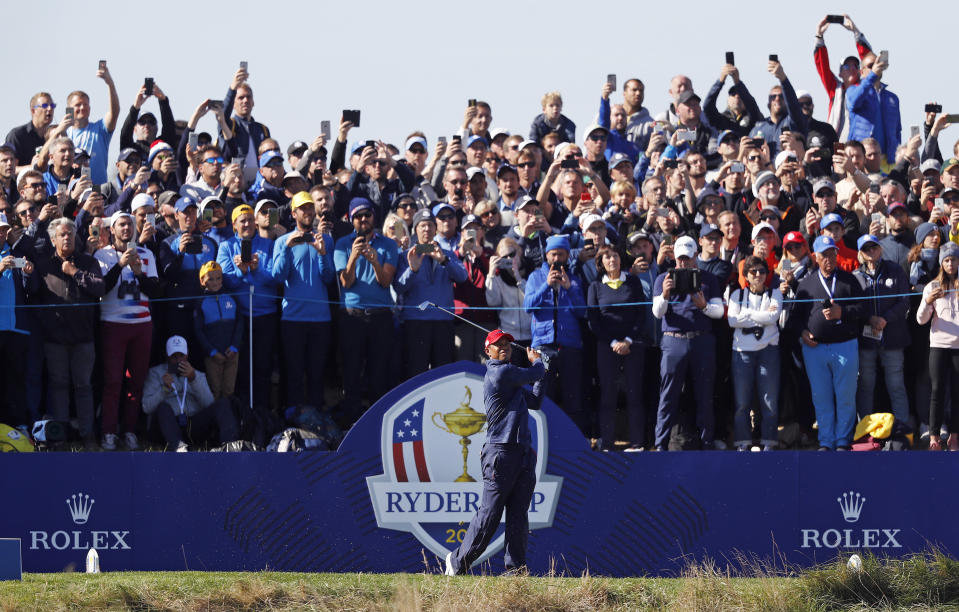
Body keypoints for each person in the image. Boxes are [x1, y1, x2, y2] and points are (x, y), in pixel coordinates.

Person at [445, 329, 544, 576]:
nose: (504, 349)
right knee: (490, 514)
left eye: (508, 346)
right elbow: (535, 372)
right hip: (501, 453)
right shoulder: (499, 373)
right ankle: (457, 562)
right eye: (498, 345)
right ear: (487, 351)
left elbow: (535, 401)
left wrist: (541, 372)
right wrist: (540, 362)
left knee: (518, 515)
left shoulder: (510, 379)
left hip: (522, 452)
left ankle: (515, 570)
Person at [24, 218, 104, 447]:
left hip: (84, 339)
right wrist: (29, 275)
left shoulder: (87, 262)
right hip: (54, 339)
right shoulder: (43, 264)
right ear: (53, 239)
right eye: (62, 234)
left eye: (70, 233)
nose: (67, 237)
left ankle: (88, 437)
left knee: (84, 387)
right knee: (57, 388)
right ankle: (59, 439)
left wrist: (75, 272)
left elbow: (100, 288)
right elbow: (33, 293)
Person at [94, 212, 162, 451]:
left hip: (142, 324)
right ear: (112, 229)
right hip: (113, 324)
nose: (126, 228)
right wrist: (120, 264)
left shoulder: (146, 254)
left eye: (130, 225)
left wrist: (138, 271)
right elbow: (101, 289)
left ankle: (130, 431)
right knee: (112, 381)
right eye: (121, 225)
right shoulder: (102, 254)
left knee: (136, 382)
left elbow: (154, 291)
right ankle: (109, 432)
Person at [651, 235, 724, 450]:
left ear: (695, 257)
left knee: (704, 393)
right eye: (680, 258)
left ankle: (706, 442)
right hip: (673, 340)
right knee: (668, 395)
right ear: (675, 257)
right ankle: (661, 444)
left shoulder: (708, 279)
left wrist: (703, 306)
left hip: (701, 339)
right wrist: (665, 294)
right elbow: (657, 313)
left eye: (688, 258)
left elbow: (718, 312)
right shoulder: (663, 278)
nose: (683, 263)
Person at [796, 236, 865, 450]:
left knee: (845, 395)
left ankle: (843, 440)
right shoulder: (806, 283)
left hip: (845, 345)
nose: (830, 258)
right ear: (816, 257)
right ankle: (826, 440)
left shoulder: (849, 280)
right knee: (821, 396)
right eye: (825, 254)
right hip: (815, 349)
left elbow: (863, 310)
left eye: (833, 253)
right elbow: (795, 317)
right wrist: (802, 332)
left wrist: (841, 311)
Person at [271, 192, 336, 415]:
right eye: (303, 209)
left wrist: (322, 253)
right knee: (294, 372)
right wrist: (288, 249)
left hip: (320, 319)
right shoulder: (281, 241)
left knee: (317, 373)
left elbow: (328, 278)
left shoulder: (325, 239)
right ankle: (294, 419)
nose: (308, 212)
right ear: (294, 213)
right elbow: (278, 277)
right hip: (292, 319)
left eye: (310, 208)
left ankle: (317, 419)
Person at [587, 245, 648, 451]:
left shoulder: (633, 282)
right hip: (607, 347)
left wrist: (628, 340)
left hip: (633, 345)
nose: (611, 260)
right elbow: (593, 321)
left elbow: (641, 314)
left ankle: (637, 443)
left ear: (620, 259)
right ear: (601, 262)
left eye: (614, 256)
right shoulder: (595, 286)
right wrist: (614, 343)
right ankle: (607, 442)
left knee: (634, 393)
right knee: (608, 395)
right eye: (607, 257)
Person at [524, 235, 587, 433]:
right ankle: (543, 437)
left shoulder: (575, 279)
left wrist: (569, 288)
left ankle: (574, 438)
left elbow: (582, 311)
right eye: (553, 254)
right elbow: (528, 306)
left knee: (573, 395)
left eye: (561, 254)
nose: (557, 258)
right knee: (543, 395)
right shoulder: (535, 277)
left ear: (567, 256)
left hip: (570, 344)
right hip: (543, 345)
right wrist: (546, 286)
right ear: (547, 255)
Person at [393, 208, 467, 377]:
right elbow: (398, 287)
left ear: (436, 229)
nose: (426, 229)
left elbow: (462, 277)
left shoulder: (447, 254)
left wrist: (443, 260)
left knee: (443, 372)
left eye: (430, 226)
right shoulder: (407, 255)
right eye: (422, 226)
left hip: (443, 320)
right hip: (416, 321)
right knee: (416, 371)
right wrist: (412, 269)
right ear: (416, 229)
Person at [142, 335, 240, 452]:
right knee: (163, 408)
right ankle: (179, 449)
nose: (178, 360)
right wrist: (164, 390)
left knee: (223, 404)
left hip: (192, 425)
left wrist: (194, 380)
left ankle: (230, 448)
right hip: (167, 426)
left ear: (187, 354)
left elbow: (209, 404)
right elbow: (146, 407)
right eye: (174, 356)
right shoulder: (155, 373)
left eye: (181, 356)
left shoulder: (197, 375)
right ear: (167, 356)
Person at [726, 255, 783, 451]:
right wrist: (762, 318)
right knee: (742, 402)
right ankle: (743, 442)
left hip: (769, 352)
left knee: (769, 401)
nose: (758, 275)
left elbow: (773, 316)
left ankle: (769, 442)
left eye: (762, 271)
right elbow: (733, 321)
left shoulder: (775, 294)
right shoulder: (736, 296)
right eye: (753, 272)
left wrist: (747, 315)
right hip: (742, 353)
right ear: (746, 275)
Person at [852, 234, 910, 424]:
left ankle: (903, 430)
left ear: (880, 248)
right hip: (866, 340)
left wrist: (885, 319)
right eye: (866, 249)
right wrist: (870, 318)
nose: (871, 252)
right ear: (861, 253)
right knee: (866, 385)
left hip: (893, 337)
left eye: (874, 247)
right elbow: (854, 307)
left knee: (896, 385)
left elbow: (904, 302)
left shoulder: (895, 270)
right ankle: (864, 431)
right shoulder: (856, 276)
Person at [917, 242, 959, 450]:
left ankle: (954, 435)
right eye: (947, 260)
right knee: (937, 390)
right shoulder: (932, 286)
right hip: (939, 346)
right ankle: (934, 436)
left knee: (957, 392)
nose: (951, 264)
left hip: (958, 347)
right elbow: (920, 320)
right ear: (942, 263)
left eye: (954, 259)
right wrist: (927, 302)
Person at [65, 62, 120, 184]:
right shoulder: (64, 134)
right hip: (73, 192)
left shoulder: (100, 129)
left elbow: (114, 112)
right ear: (69, 109)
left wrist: (110, 84)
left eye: (85, 104)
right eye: (78, 105)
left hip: (98, 189)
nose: (82, 107)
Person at [193, 261, 241, 400]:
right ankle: (215, 419)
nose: (215, 282)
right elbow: (198, 330)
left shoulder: (232, 297)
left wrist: (234, 346)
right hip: (213, 355)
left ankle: (230, 418)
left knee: (229, 389)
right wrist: (212, 352)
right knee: (214, 389)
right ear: (202, 281)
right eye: (211, 279)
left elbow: (239, 323)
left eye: (218, 278)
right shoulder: (200, 302)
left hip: (232, 352)